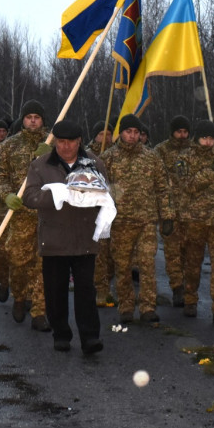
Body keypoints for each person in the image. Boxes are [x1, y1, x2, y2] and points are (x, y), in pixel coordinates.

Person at [18, 119, 111, 355]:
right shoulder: (40, 165)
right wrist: (60, 195)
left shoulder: (94, 164)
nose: (66, 147)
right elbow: (29, 197)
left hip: (84, 239)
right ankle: (61, 334)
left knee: (85, 291)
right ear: (55, 141)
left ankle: (90, 337)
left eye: (70, 142)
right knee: (55, 290)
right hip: (54, 239)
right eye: (61, 142)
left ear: (79, 141)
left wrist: (93, 197)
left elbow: (106, 194)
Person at [0, 101, 51, 332]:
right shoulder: (8, 147)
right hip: (19, 216)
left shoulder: (55, 144)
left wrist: (53, 157)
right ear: (23, 120)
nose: (32, 121)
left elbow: (72, 171)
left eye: (36, 117)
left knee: (43, 265)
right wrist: (6, 194)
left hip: (48, 215)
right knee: (18, 263)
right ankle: (19, 296)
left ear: (42, 120)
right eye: (28, 116)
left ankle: (39, 311)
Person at [102, 113, 173, 324]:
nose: (132, 136)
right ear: (121, 133)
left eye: (136, 132)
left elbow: (162, 188)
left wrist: (167, 216)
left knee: (147, 265)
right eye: (128, 132)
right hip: (120, 222)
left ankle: (148, 307)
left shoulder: (151, 157)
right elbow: (100, 190)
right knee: (122, 267)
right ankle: (125, 305)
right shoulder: (109, 158)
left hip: (146, 221)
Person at [160, 118, 214, 322]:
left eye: (211, 138)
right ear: (196, 138)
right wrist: (211, 172)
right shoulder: (185, 159)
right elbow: (188, 185)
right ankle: (190, 300)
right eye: (204, 138)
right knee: (193, 264)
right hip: (194, 220)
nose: (208, 143)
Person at [154, 116, 190, 307]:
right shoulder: (161, 151)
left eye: (185, 132)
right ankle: (177, 287)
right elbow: (157, 181)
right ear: (172, 132)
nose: (182, 136)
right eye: (179, 132)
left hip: (192, 211)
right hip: (170, 210)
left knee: (188, 252)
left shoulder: (193, 150)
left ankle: (188, 287)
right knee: (172, 252)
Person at [90, 122, 117, 305]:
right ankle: (100, 290)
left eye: (109, 134)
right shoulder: (86, 156)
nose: (105, 138)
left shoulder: (117, 155)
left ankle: (110, 285)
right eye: (101, 134)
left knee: (114, 255)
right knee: (99, 255)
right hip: (94, 213)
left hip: (117, 212)